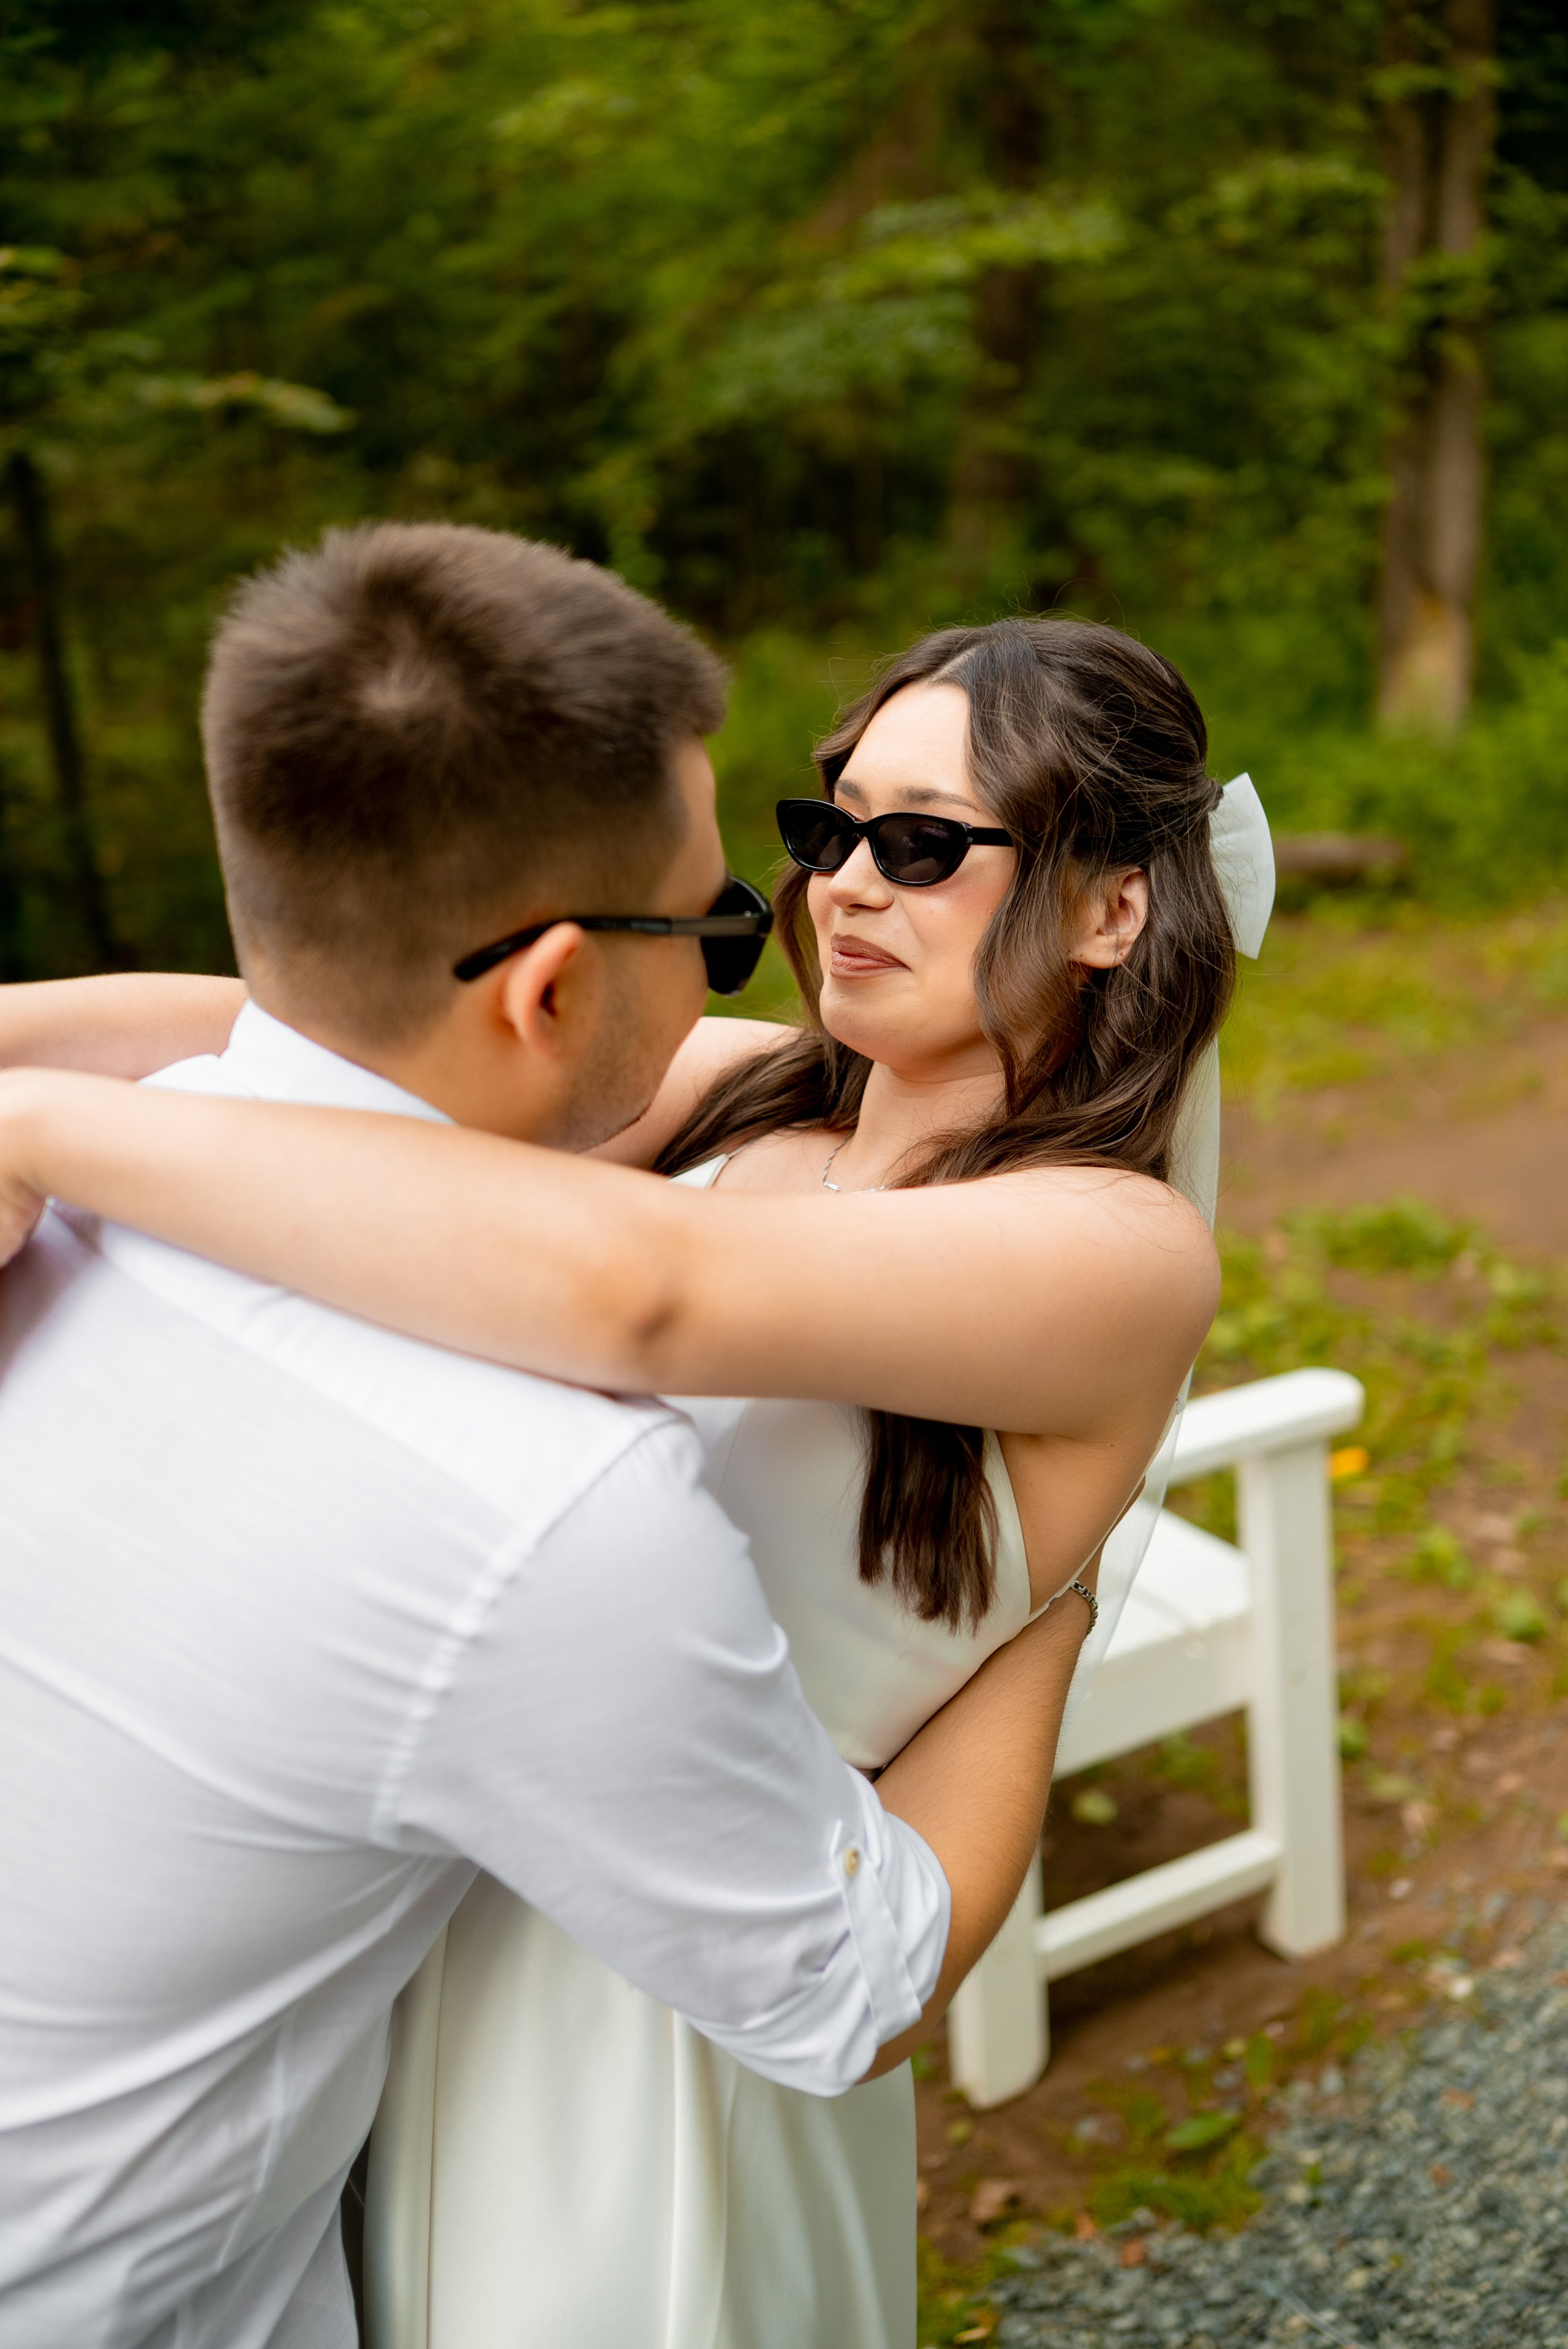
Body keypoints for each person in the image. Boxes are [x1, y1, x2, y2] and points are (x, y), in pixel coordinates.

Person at [0, 529, 1219, 2349]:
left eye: (924, 845)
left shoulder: (1115, 1247)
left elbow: (640, 1291)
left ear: (1113, 907)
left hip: (685, 1993)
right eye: (828, 830)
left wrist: (50, 1135)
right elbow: (315, 1022)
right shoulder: (757, 1090)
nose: (843, 890)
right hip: (443, 1897)